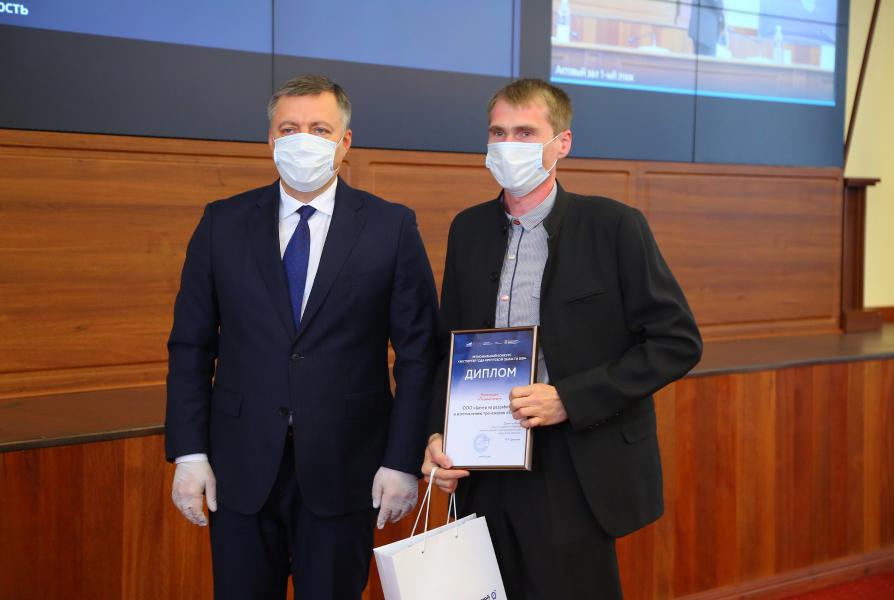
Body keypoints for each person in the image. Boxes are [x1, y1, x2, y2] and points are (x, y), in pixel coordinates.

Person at [422, 78, 702, 599]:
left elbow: (677, 342)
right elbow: (449, 348)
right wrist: (439, 434)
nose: (508, 145)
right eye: (498, 133)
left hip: (573, 466)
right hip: (484, 463)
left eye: (525, 133)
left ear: (562, 143)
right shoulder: (468, 229)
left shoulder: (614, 226)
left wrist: (569, 398)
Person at [165, 75, 438, 600]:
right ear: (270, 140)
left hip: (347, 470)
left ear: (345, 141)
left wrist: (402, 459)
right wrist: (189, 452)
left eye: (320, 128)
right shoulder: (222, 223)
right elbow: (191, 346)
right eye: (289, 129)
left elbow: (419, 354)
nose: (303, 139)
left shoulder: (391, 227)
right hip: (240, 471)